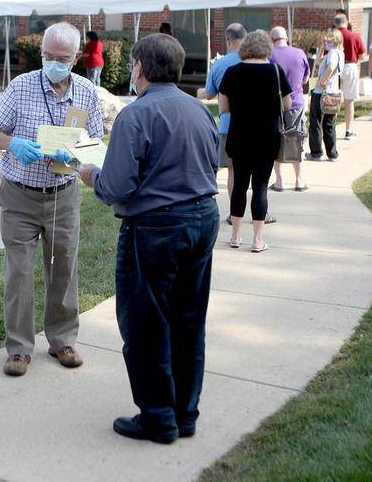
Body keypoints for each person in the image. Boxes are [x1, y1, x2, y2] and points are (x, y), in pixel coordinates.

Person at [78, 33, 219, 444]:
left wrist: (90, 175)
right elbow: (212, 162)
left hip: (156, 227)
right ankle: (184, 413)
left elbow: (118, 186)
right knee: (189, 320)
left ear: (140, 67)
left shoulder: (135, 115)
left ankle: (158, 417)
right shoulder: (199, 110)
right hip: (202, 217)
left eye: (133, 64)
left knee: (145, 323)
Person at [0, 22, 103, 377]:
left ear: (76, 58)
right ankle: (19, 348)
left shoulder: (85, 92)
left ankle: (63, 339)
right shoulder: (21, 87)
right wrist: (12, 144)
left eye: (62, 58)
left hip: (62, 195)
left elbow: (95, 142)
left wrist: (78, 157)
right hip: (20, 195)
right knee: (19, 272)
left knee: (64, 266)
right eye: (47, 56)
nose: (53, 63)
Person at [218, 30, 290, 253]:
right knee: (260, 187)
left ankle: (235, 236)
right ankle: (258, 240)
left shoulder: (232, 72)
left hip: (239, 137)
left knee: (239, 184)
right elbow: (287, 104)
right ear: (267, 48)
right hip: (267, 139)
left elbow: (224, 107)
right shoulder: (275, 72)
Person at [205, 22, 245, 225]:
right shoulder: (260, 61)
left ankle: (234, 212)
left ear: (228, 40)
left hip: (228, 124)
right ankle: (260, 212)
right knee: (257, 171)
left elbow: (209, 93)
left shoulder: (220, 65)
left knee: (232, 171)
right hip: (255, 125)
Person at [269, 25, 309, 192]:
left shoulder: (269, 56)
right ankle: (299, 181)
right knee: (295, 140)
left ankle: (279, 181)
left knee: (275, 142)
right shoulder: (300, 53)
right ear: (286, 38)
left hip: (275, 105)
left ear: (272, 40)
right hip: (296, 103)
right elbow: (306, 79)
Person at [306, 28, 344, 162]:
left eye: (330, 38)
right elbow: (317, 62)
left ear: (336, 40)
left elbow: (331, 67)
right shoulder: (339, 53)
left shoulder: (333, 53)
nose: (327, 40)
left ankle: (316, 152)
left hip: (322, 92)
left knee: (315, 122)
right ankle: (332, 153)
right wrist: (322, 47)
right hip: (333, 92)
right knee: (329, 123)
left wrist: (322, 81)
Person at [334, 13, 365, 140]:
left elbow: (325, 53)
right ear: (346, 22)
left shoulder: (332, 36)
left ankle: (331, 128)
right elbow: (362, 54)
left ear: (335, 23)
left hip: (335, 66)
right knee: (349, 100)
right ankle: (348, 130)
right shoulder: (355, 35)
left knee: (333, 98)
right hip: (351, 66)